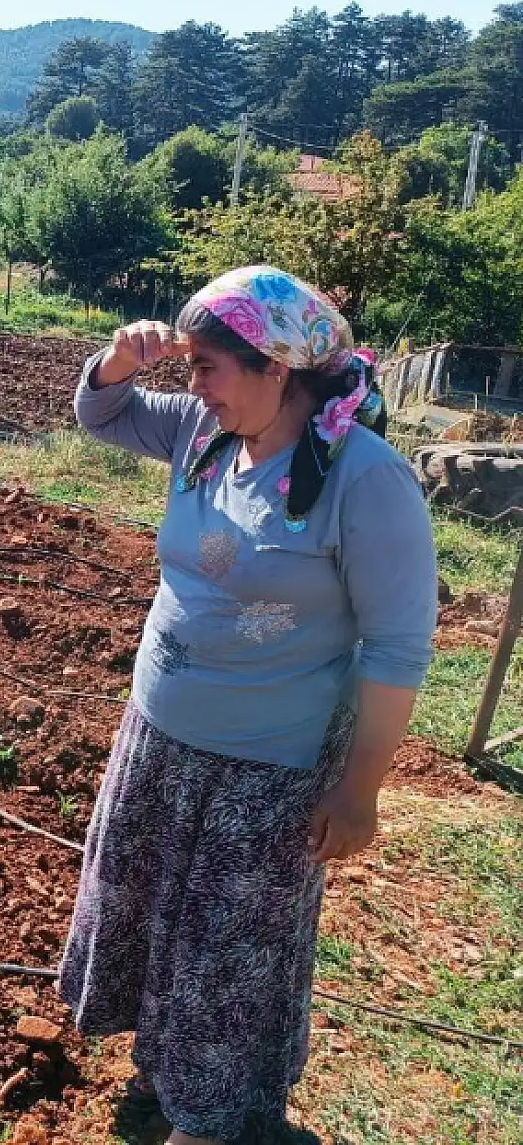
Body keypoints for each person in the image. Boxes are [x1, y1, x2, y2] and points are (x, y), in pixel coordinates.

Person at [59, 266, 437, 1144]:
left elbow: (396, 649)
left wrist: (359, 791)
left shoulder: (364, 480)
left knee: (226, 955)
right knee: (151, 913)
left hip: (267, 769)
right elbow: (101, 413)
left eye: (209, 367)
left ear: (278, 367)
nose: (193, 385)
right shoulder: (205, 431)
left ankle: (210, 1118)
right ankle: (163, 1069)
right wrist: (117, 362)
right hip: (159, 736)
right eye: (190, 366)